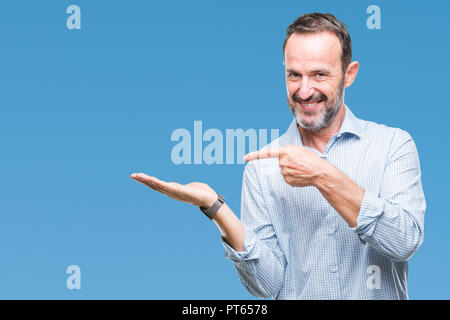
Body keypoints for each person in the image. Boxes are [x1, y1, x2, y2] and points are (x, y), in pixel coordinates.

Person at [130, 13, 426, 300]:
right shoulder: (262, 168)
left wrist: (322, 174)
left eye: (319, 74)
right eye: (294, 75)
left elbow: (404, 241)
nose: (305, 90)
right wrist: (214, 206)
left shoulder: (392, 145)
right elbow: (268, 284)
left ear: (349, 74)